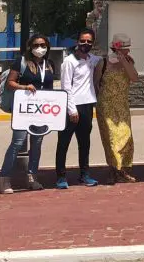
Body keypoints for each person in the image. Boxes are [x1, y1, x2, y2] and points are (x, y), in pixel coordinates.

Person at [0, 34, 55, 194]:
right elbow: (10, 83)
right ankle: (4, 179)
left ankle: (32, 177)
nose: (39, 48)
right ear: (30, 47)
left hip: (41, 110)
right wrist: (25, 87)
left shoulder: (49, 64)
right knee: (17, 142)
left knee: (37, 144)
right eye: (36, 45)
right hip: (23, 109)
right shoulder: (21, 62)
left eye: (43, 45)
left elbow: (49, 87)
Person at [56, 28, 100, 189]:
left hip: (87, 105)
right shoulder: (69, 61)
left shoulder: (92, 59)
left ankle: (84, 174)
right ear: (77, 42)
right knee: (64, 143)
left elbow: (105, 61)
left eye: (89, 41)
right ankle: (61, 177)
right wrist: (71, 109)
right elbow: (66, 86)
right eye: (83, 41)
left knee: (84, 143)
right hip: (72, 107)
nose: (85, 44)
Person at [95, 33, 139, 184]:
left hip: (122, 105)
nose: (126, 51)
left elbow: (134, 78)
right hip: (106, 106)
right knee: (112, 139)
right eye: (123, 49)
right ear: (115, 47)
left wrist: (124, 61)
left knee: (126, 137)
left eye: (127, 49)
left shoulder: (129, 61)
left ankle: (123, 170)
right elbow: (96, 83)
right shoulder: (104, 62)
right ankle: (114, 171)